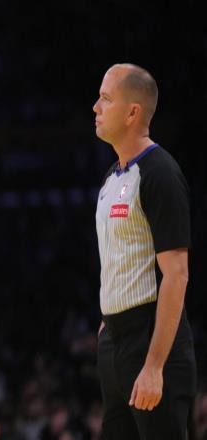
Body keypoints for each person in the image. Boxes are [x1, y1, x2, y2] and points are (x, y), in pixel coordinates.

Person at [93, 63, 196, 439]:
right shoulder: (112, 177)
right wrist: (108, 323)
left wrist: (154, 366)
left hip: (152, 342)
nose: (96, 107)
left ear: (132, 112)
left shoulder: (160, 174)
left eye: (106, 98)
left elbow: (177, 274)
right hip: (115, 342)